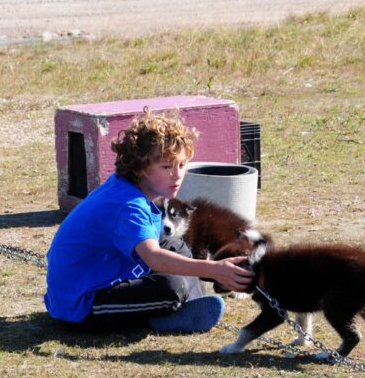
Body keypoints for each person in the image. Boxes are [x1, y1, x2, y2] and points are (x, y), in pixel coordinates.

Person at [44, 109, 253, 334]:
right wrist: (213, 269)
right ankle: (166, 316)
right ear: (139, 168)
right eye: (166, 167)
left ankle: (190, 306)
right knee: (171, 287)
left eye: (182, 165)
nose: (177, 175)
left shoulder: (133, 188)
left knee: (175, 245)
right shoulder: (129, 206)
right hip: (81, 306)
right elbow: (153, 258)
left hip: (100, 275)